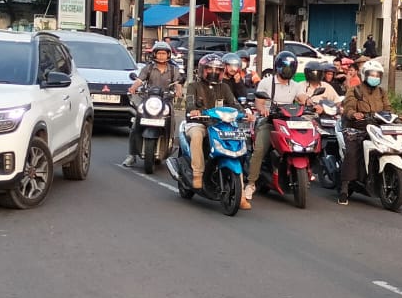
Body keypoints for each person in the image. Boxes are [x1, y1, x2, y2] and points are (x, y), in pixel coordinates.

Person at [246, 50, 309, 209]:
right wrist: (263, 110)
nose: (287, 69)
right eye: (285, 66)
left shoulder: (295, 85)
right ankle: (251, 183)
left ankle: (307, 171)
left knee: (306, 140)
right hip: (269, 122)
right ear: (278, 67)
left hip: (289, 123)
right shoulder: (266, 82)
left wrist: (311, 103)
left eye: (291, 66)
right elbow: (259, 102)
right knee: (260, 149)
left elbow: (302, 97)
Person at [178, 54, 238, 189]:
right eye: (210, 69)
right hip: (198, 123)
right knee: (197, 136)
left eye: (218, 70)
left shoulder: (224, 87)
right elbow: (190, 103)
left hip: (219, 125)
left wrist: (245, 113)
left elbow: (234, 103)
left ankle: (241, 191)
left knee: (236, 138)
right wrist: (194, 111)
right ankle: (198, 173)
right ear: (202, 70)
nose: (214, 72)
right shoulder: (194, 86)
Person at [337, 58, 390, 206]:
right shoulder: (354, 90)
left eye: (377, 75)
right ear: (365, 75)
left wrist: (397, 117)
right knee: (352, 152)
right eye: (372, 74)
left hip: (376, 127)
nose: (375, 77)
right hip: (356, 126)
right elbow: (348, 107)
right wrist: (354, 114)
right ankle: (344, 187)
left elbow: (388, 109)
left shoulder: (382, 92)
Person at [123, 42, 178, 169]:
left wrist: (178, 91)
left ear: (168, 55)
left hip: (166, 101)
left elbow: (178, 83)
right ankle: (131, 155)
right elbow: (139, 80)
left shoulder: (173, 70)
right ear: (154, 54)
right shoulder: (148, 68)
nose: (161, 56)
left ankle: (169, 144)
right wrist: (133, 88)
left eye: (164, 53)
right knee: (135, 125)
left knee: (172, 122)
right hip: (149, 101)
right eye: (159, 53)